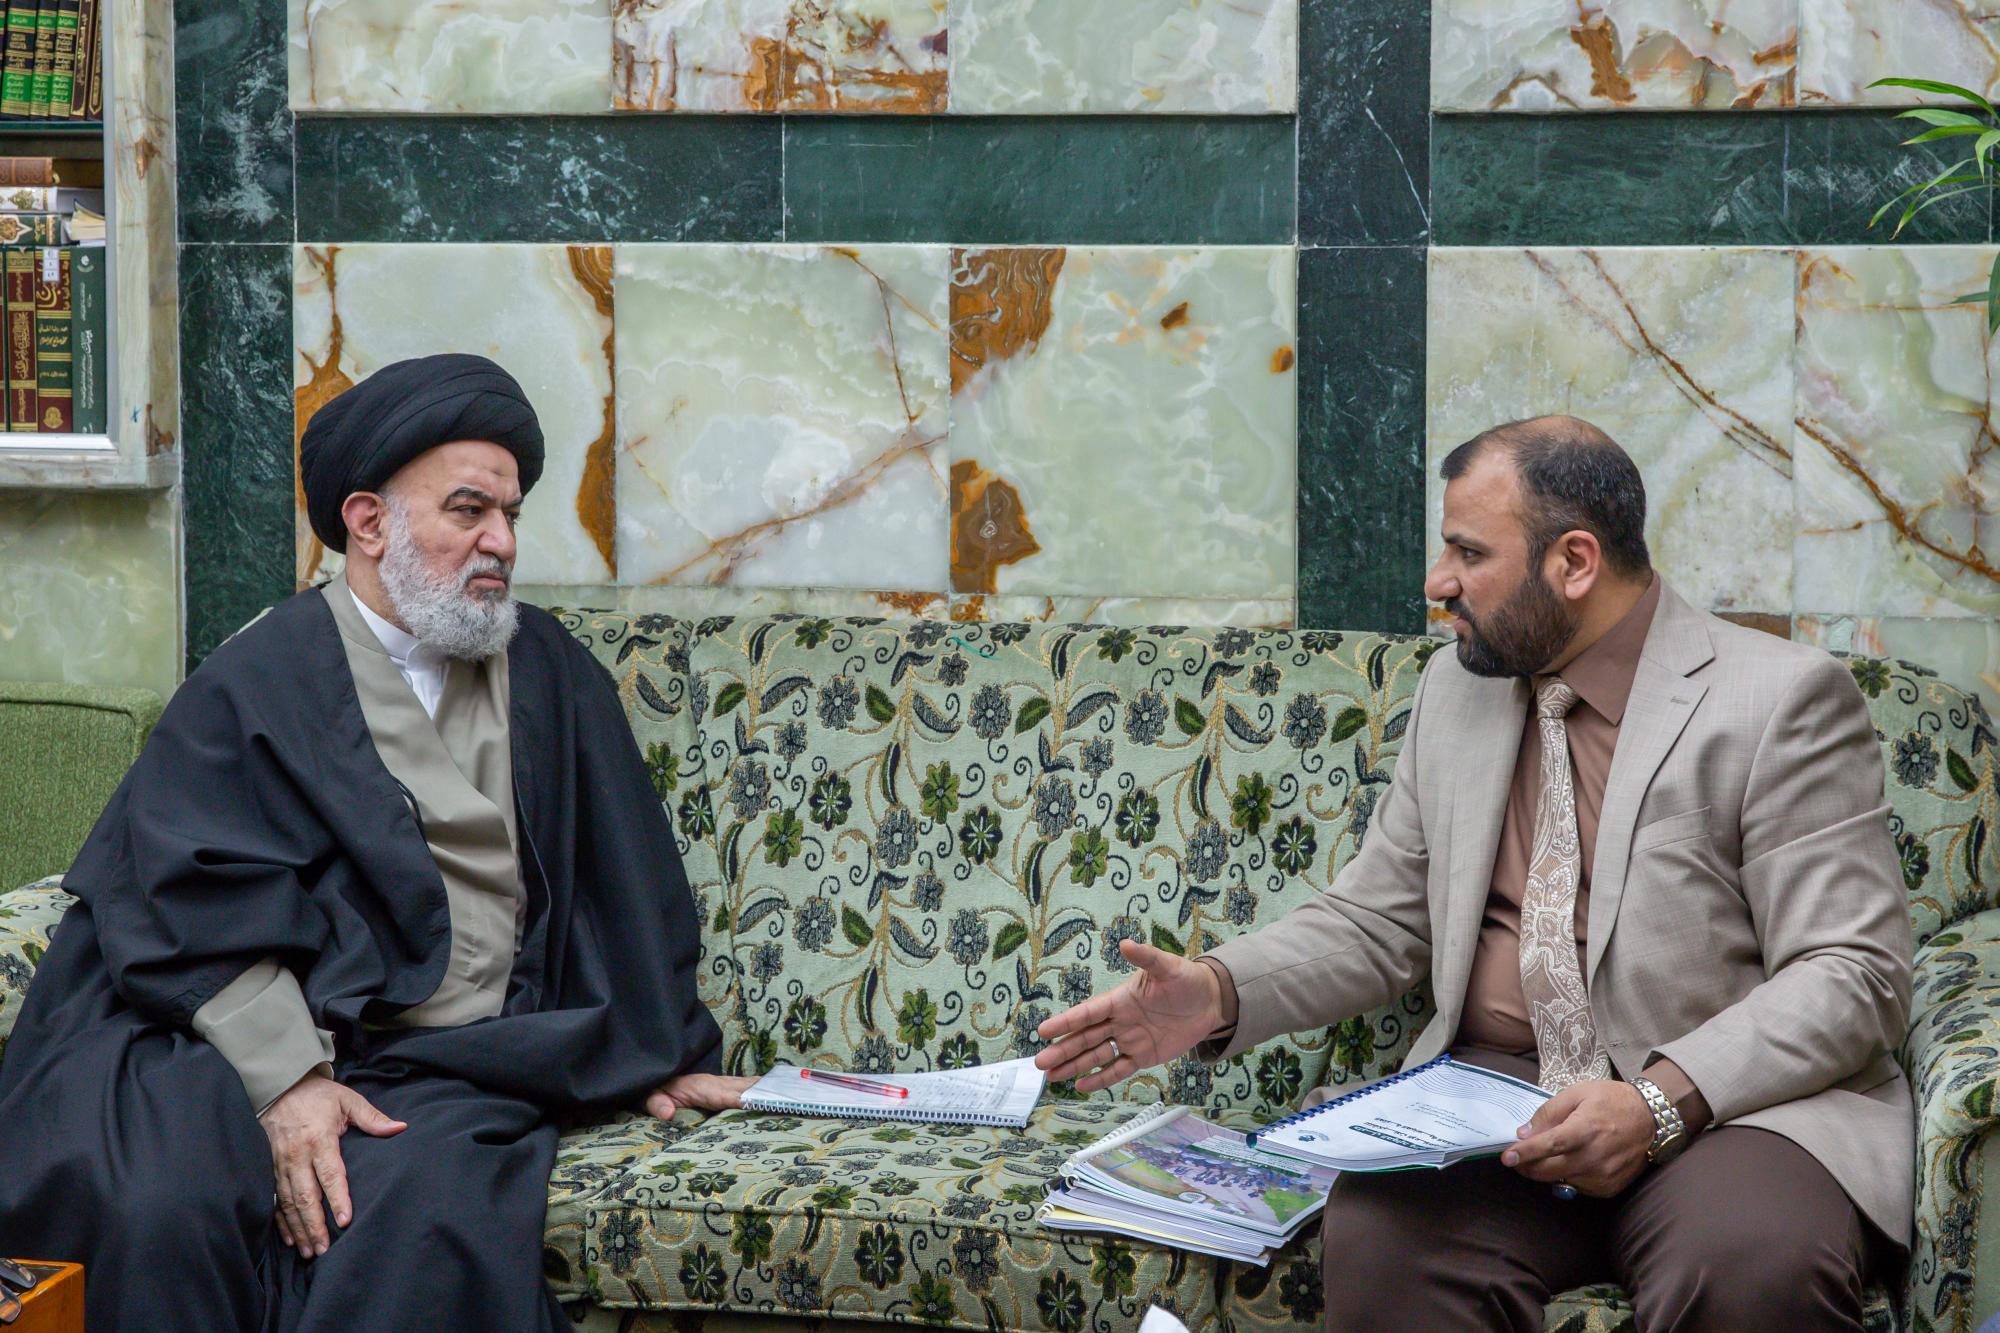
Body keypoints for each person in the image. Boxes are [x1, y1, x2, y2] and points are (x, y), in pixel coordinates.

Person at [1035, 416, 1912, 1331]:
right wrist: (1219, 990)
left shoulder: (1777, 699)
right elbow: (1380, 919)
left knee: (1752, 1264)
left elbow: (1853, 969)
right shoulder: (1458, 690)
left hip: (1726, 1108)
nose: (1437, 582)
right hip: (1498, 1108)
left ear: (1574, 562)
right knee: (1384, 1238)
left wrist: (1658, 1101)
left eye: (1468, 552)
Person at [0, 353, 754, 1331]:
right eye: (469, 511)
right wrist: (289, 1078)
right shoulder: (257, 679)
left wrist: (652, 1048)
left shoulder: (550, 675)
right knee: (154, 1198)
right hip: (240, 1035)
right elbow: (181, 900)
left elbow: (625, 894)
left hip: (451, 1061)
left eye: (510, 515)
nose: (501, 542)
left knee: (424, 1218)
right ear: (367, 523)